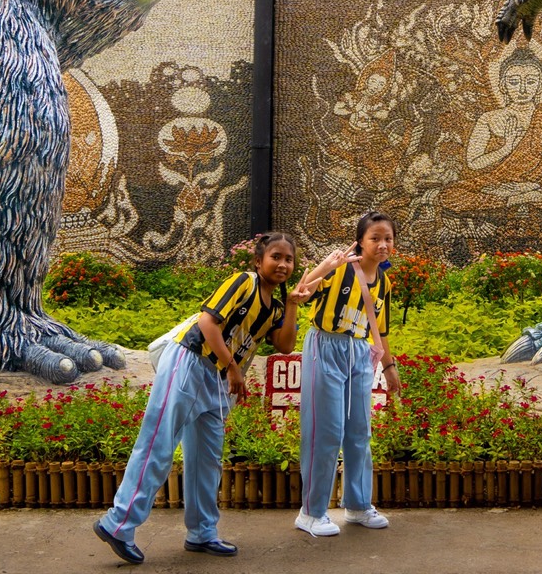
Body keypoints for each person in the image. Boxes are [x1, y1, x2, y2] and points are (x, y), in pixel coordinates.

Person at [94, 233, 306, 564]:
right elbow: (208, 323)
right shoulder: (243, 282)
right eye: (275, 257)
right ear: (258, 260)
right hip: (190, 363)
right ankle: (118, 524)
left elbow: (285, 345)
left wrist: (293, 304)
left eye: (288, 259)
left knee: (206, 459)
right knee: (158, 445)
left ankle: (202, 532)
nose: (282, 264)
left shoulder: (275, 306)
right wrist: (234, 369)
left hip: (218, 380)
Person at [292, 211, 401, 536]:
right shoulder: (341, 270)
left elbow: (380, 331)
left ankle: (357, 505)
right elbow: (302, 292)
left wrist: (389, 367)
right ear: (360, 242)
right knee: (325, 430)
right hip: (325, 346)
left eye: (388, 239)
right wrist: (327, 265)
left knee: (358, 431)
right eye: (375, 238)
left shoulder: (383, 283)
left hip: (358, 352)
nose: (382, 245)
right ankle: (311, 513)